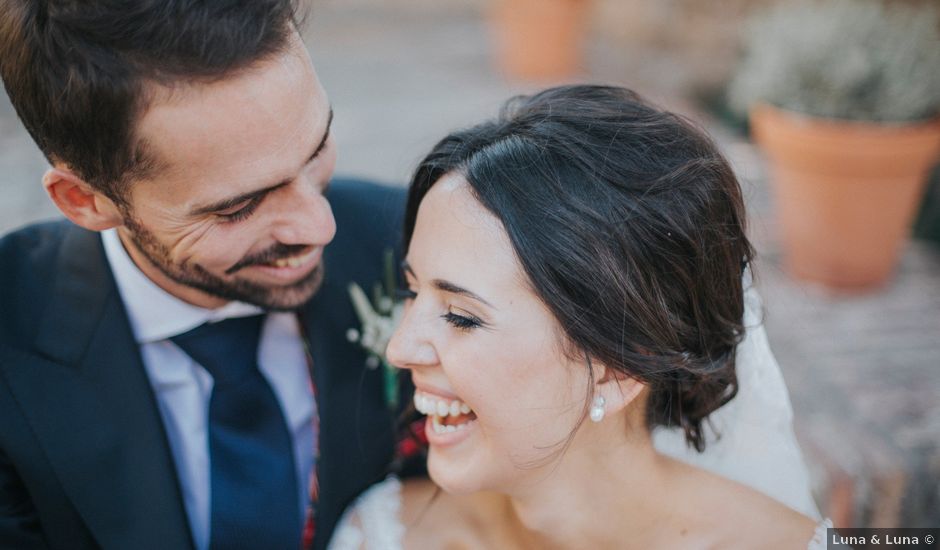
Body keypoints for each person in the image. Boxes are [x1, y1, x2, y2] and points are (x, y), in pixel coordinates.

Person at [330, 85, 830, 549]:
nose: (399, 347)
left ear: (618, 367)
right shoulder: (385, 532)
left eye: (461, 316)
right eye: (413, 292)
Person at [0, 2, 405, 549]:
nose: (320, 225)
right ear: (86, 200)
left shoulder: (410, 244)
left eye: (316, 150)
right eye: (238, 208)